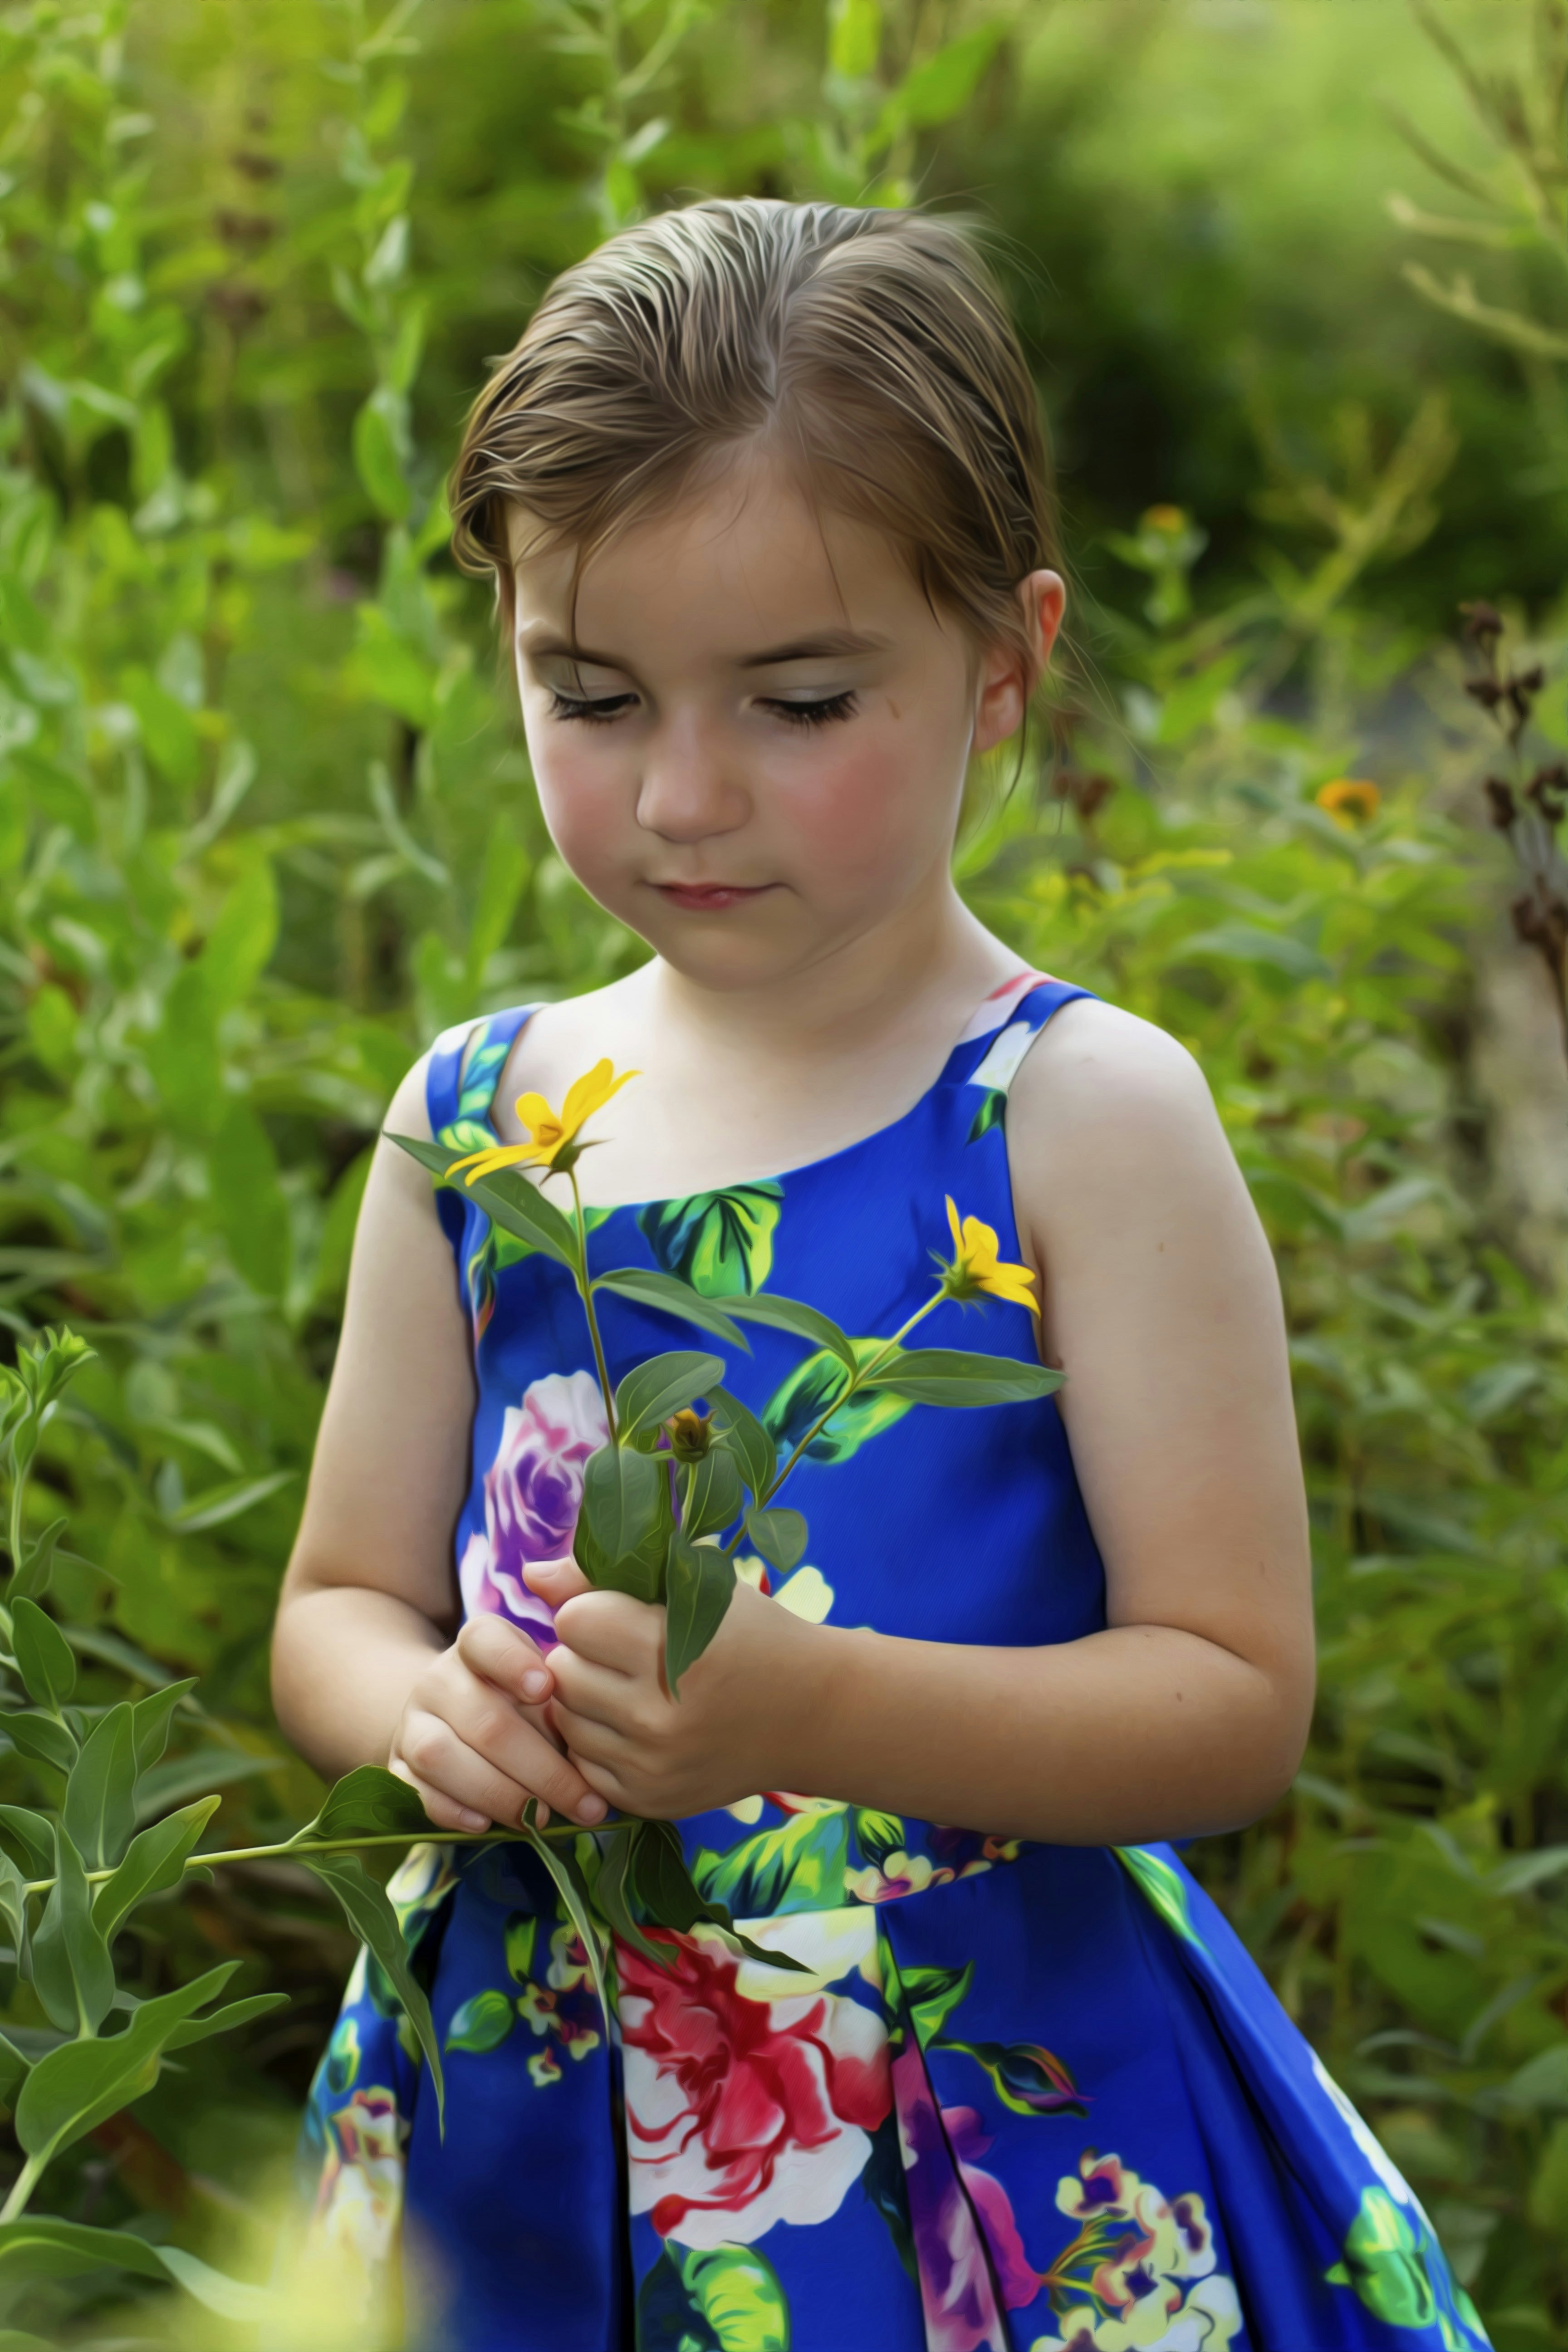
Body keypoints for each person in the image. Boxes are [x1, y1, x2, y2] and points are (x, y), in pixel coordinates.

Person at [271, 198, 1487, 2352]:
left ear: (1002, 664)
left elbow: (1231, 1699)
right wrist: (423, 1712)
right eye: (590, 693)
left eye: (803, 700)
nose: (682, 795)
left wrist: (807, 1714)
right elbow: (337, 1607)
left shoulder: (1074, 1118)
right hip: (528, 2104)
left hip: (971, 2130)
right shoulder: (473, 1125)